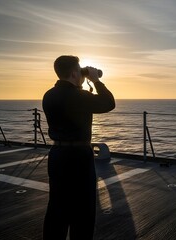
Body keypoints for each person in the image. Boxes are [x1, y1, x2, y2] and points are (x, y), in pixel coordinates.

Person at [42, 55, 115, 239]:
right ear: (75, 73)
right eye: (80, 71)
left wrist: (82, 83)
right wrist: (96, 80)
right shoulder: (80, 96)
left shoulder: (49, 95)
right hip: (79, 157)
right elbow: (108, 103)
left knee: (57, 207)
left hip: (57, 155)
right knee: (83, 210)